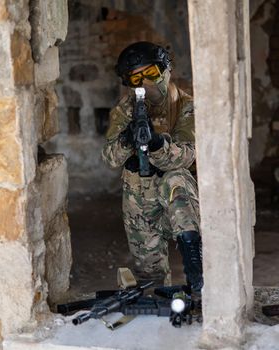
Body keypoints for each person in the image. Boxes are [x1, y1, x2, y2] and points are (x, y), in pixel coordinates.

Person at [101, 41, 203, 292]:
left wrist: (157, 143)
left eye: (151, 74)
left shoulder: (186, 106)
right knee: (151, 277)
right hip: (140, 198)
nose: (145, 83)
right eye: (137, 78)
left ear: (166, 70)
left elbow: (186, 156)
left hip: (180, 202)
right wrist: (126, 140)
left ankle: (196, 271)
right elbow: (110, 158)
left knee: (175, 178)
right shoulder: (125, 110)